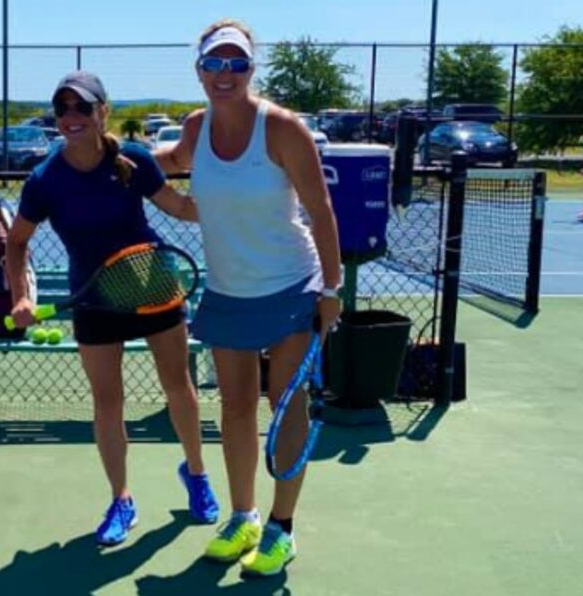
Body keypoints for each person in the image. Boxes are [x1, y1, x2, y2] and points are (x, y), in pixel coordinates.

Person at [153, 19, 343, 577]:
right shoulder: (195, 127)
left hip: (291, 284)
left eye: (236, 64)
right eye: (214, 64)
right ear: (199, 71)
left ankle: (282, 529)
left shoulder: (283, 130)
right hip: (228, 290)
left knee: (285, 405)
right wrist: (120, 155)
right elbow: (170, 160)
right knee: (234, 409)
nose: (225, 74)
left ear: (251, 70)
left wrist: (331, 290)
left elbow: (322, 211)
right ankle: (244, 516)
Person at [5, 71, 220, 547]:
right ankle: (121, 499)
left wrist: (238, 206)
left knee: (178, 388)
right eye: (63, 109)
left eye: (82, 107)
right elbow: (16, 243)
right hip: (94, 299)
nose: (72, 117)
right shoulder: (44, 181)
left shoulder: (134, 160)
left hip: (153, 284)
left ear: (103, 111)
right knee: (107, 403)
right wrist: (22, 295)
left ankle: (198, 475)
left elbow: (180, 208)